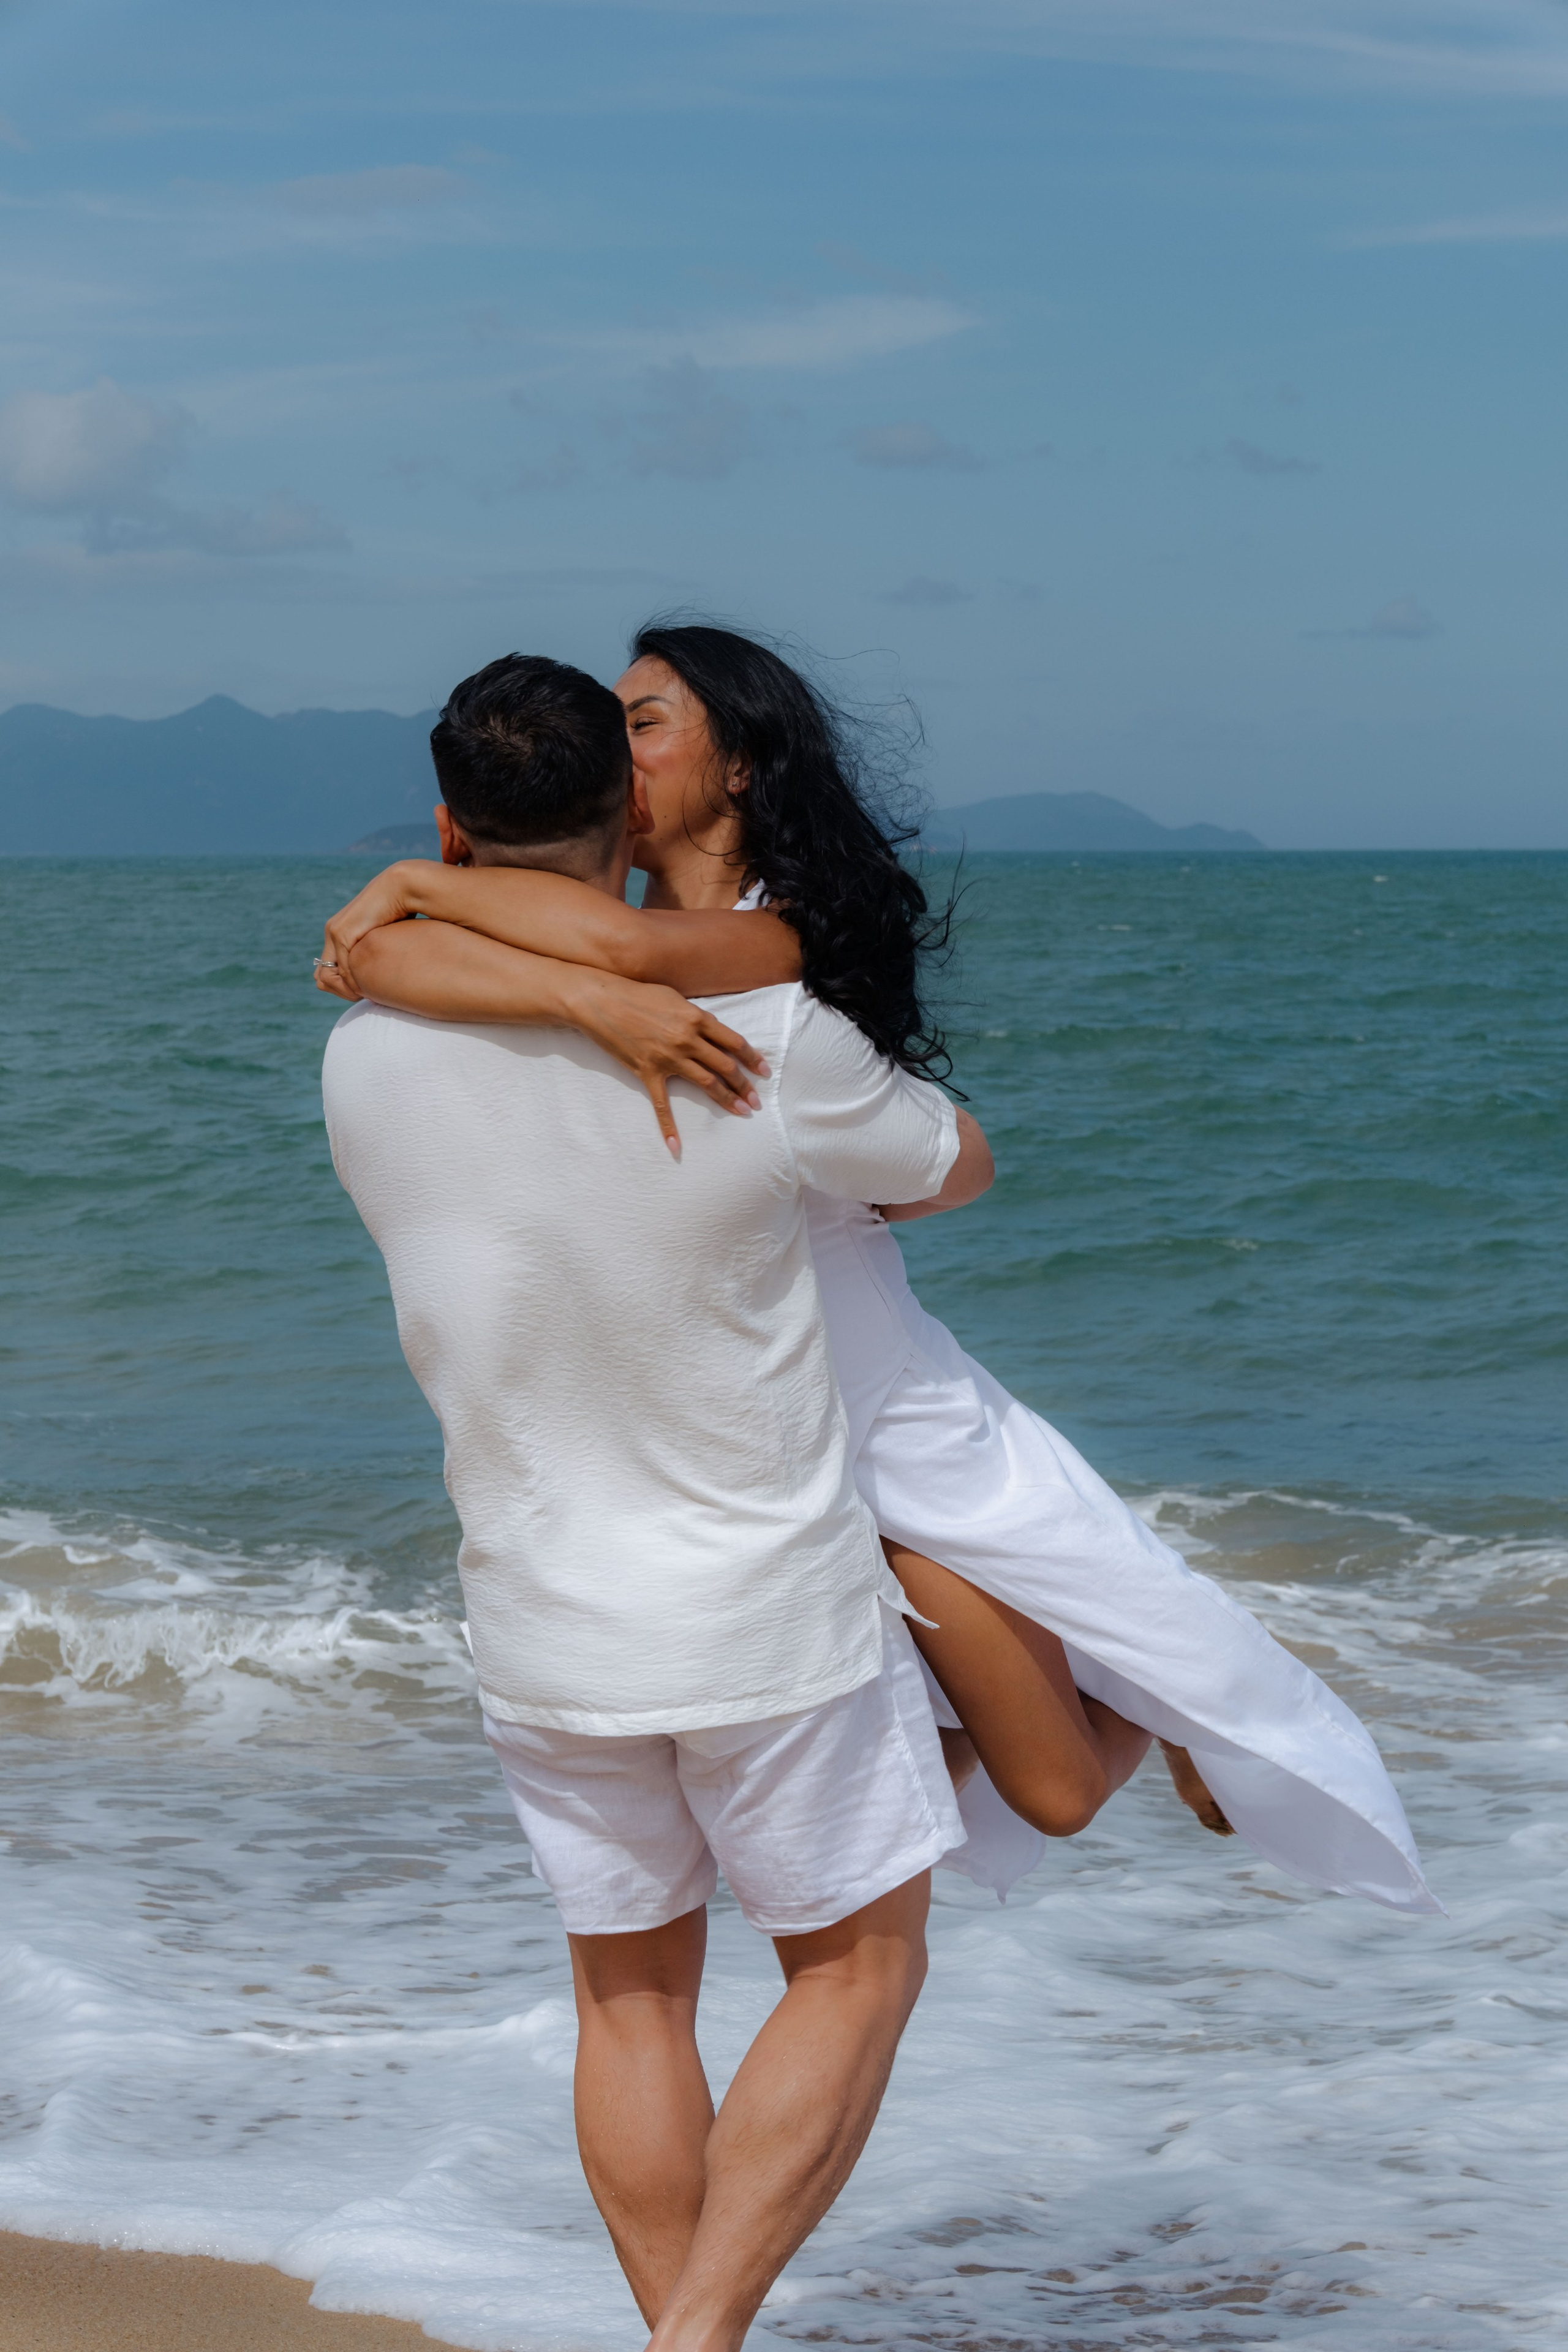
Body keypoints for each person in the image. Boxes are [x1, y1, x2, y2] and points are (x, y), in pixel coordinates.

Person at [318, 626, 1438, 1920]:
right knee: (994, 1788)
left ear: (739, 768)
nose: (614, 753)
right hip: (741, 1413)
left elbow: (615, 972)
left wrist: (421, 878)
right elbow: (385, 963)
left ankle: (1154, 1699)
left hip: (857, 1383)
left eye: (644, 722)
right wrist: (442, 922)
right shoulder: (585, 935)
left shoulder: (769, 940)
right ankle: (1122, 1696)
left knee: (1057, 1787)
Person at [321, 652, 1121, 2352]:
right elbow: (956, 1168)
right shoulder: (761, 1040)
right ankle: (698, 2343)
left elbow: (423, 964)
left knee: (630, 2006)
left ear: (452, 826)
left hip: (538, 1617)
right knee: (854, 1970)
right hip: (762, 1611)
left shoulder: (368, 1059)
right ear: (628, 828)